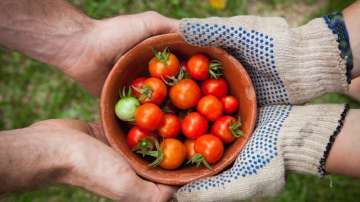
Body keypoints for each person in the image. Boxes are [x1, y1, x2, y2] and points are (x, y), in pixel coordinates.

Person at [0, 1, 360, 202]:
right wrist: (313, 139)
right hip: (200, 121)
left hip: (203, 117)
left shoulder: (168, 103)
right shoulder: (167, 113)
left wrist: (315, 52)